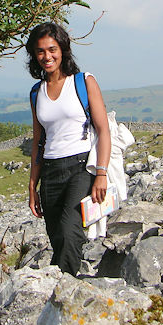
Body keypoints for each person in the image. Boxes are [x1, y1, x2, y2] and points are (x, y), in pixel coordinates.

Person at [26, 22, 111, 276]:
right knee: (57, 236)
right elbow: (38, 142)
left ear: (63, 49)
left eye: (52, 49)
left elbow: (103, 130)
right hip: (50, 171)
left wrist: (101, 173)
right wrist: (33, 186)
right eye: (40, 51)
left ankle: (61, 287)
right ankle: (65, 283)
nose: (47, 56)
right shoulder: (36, 92)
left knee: (69, 229)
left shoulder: (84, 82)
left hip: (80, 167)